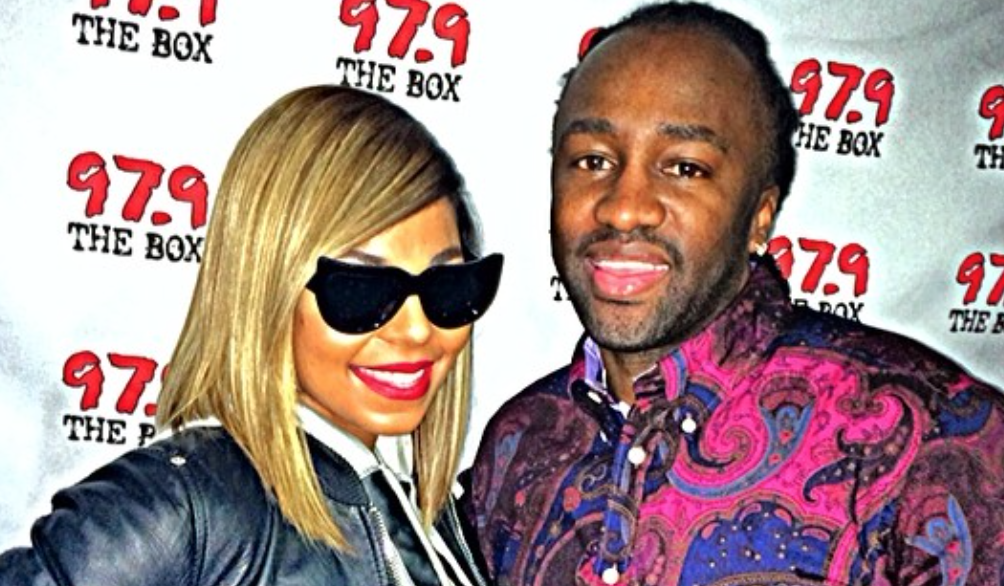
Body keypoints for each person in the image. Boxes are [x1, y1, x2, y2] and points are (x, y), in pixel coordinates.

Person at [462, 2, 1004, 585]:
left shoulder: (931, 442)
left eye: (685, 168)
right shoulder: (520, 442)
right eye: (592, 160)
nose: (623, 208)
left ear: (759, 216)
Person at [0, 85, 500, 585]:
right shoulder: (186, 510)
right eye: (362, 289)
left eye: (450, 286)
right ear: (265, 286)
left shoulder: (440, 521)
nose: (416, 329)